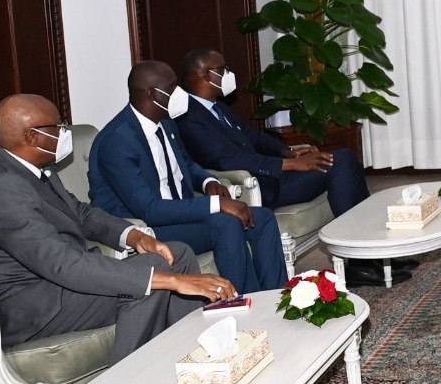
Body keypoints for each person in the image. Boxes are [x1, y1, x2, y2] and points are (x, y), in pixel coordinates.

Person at [0, 95, 235, 364]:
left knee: (176, 253)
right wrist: (171, 281)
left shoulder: (26, 163)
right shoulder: (1, 188)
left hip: (52, 284)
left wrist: (134, 235)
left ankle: (195, 360)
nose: (64, 133)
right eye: (58, 127)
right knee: (151, 278)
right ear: (32, 137)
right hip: (24, 306)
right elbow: (62, 263)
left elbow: (79, 212)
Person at [174, 48, 412, 286]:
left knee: (344, 159)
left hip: (273, 175)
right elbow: (227, 160)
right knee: (339, 162)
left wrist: (287, 151)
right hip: (259, 187)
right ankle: (359, 263)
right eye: (223, 69)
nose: (228, 74)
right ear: (206, 75)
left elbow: (254, 137)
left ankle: (373, 252)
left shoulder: (217, 107)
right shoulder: (188, 118)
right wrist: (290, 164)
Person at [88, 61, 288, 294]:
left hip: (180, 214)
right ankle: (244, 303)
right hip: (149, 229)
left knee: (261, 217)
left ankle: (276, 296)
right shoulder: (117, 141)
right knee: (226, 224)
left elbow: (186, 164)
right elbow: (148, 209)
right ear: (152, 94)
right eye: (172, 88)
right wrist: (216, 204)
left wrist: (208, 181)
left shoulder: (166, 123)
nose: (180, 93)